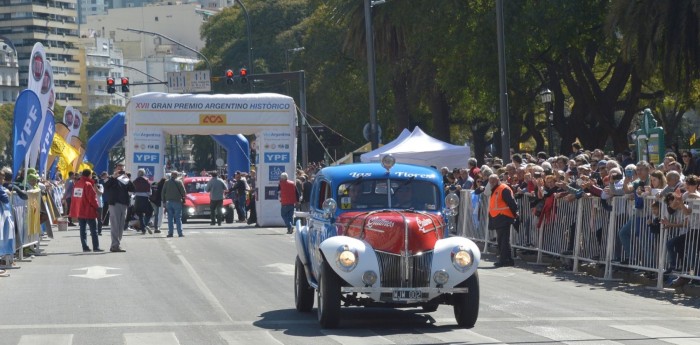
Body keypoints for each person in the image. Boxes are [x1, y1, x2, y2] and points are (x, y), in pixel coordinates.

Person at [487, 173, 519, 267]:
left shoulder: (503, 188)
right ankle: (507, 259)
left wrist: (515, 214)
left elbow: (511, 202)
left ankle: (504, 260)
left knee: (503, 240)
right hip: (498, 217)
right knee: (502, 240)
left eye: (493, 181)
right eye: (490, 181)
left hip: (503, 217)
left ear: (497, 180)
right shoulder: (496, 189)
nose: (491, 183)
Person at [69, 169, 103, 252]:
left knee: (82, 230)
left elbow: (75, 197)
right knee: (93, 230)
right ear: (89, 175)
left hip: (80, 210)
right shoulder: (88, 184)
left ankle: (85, 246)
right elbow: (92, 198)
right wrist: (96, 207)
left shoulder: (77, 184)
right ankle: (96, 247)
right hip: (88, 210)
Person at [104, 167, 135, 252]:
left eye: (122, 171)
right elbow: (106, 186)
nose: (120, 172)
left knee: (121, 226)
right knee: (115, 225)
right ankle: (115, 245)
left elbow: (133, 188)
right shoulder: (111, 179)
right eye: (119, 170)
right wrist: (113, 177)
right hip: (114, 204)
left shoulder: (125, 180)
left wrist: (128, 179)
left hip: (124, 204)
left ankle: (116, 245)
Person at [161, 171, 186, 237]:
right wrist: (182, 197)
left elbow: (163, 192)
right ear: (177, 176)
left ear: (171, 175)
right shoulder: (179, 182)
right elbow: (184, 192)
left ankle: (170, 233)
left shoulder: (166, 182)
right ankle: (180, 233)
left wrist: (163, 201)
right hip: (177, 201)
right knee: (178, 218)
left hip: (168, 202)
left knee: (170, 218)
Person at [132, 169, 153, 234]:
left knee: (140, 214)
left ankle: (143, 227)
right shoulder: (147, 180)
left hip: (138, 198)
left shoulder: (135, 181)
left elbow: (133, 191)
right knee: (148, 212)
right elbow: (150, 193)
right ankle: (145, 225)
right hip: (145, 199)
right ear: (144, 173)